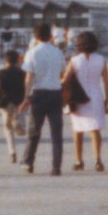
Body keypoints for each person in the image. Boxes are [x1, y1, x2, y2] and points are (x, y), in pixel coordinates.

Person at [21, 23, 67, 176]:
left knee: (34, 131)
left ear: (35, 36)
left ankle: (28, 162)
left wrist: (26, 97)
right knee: (56, 132)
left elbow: (29, 77)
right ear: (51, 35)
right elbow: (62, 74)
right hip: (55, 93)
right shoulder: (58, 52)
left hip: (38, 93)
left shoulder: (32, 53)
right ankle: (56, 166)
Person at [64, 30, 108, 171]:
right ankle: (98, 159)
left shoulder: (75, 60)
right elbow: (107, 81)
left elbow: (65, 80)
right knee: (94, 130)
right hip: (96, 95)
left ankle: (79, 160)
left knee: (78, 130)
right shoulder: (101, 60)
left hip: (79, 97)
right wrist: (107, 98)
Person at [0, 49, 28, 163]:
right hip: (19, 102)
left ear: (5, 61)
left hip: (5, 102)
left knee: (7, 129)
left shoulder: (2, 73)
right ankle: (18, 124)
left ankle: (12, 152)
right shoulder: (23, 73)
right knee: (20, 123)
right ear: (18, 61)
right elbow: (25, 88)